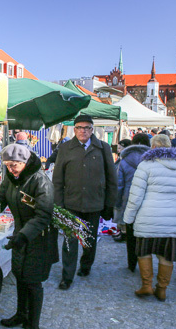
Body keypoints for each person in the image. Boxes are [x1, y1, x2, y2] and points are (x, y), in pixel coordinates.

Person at [0, 144, 58, 329]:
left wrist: (24, 236)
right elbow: (0, 196)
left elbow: (43, 215)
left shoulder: (40, 180)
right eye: (7, 165)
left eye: (14, 165)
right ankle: (21, 314)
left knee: (33, 281)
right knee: (20, 275)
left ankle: (32, 324)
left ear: (25, 162)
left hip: (38, 237)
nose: (10, 169)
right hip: (20, 234)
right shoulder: (11, 178)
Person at [123, 134, 176, 301]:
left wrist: (128, 218)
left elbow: (136, 196)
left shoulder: (146, 165)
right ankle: (161, 289)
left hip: (149, 217)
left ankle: (146, 285)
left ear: (153, 147)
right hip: (173, 219)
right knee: (167, 255)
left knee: (144, 252)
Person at [52, 114, 117, 290]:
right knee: (69, 241)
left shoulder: (103, 148)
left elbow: (112, 178)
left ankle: (86, 265)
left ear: (92, 129)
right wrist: (58, 205)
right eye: (80, 128)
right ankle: (67, 276)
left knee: (89, 239)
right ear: (74, 130)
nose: (83, 131)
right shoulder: (66, 148)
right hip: (71, 202)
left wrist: (109, 204)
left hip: (95, 203)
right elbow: (57, 179)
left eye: (87, 128)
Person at [113, 133, 150, 271]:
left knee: (130, 233)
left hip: (129, 200)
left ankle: (131, 263)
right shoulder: (152, 160)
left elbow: (119, 185)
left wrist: (117, 204)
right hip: (147, 201)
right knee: (145, 234)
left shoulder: (124, 161)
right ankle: (145, 264)